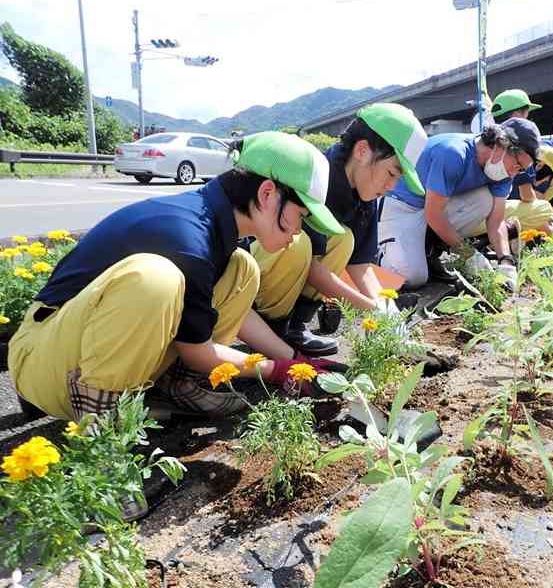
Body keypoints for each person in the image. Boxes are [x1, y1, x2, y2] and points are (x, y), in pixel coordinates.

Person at [8, 132, 345, 423]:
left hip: (80, 347)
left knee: (243, 268)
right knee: (156, 278)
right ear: (268, 194)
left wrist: (294, 360)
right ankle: (103, 435)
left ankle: (177, 386)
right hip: (46, 360)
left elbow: (236, 319)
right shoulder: (188, 239)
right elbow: (199, 350)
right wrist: (273, 370)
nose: (298, 232)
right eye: (300, 216)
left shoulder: (215, 223)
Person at [250, 103, 427, 356]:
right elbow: (308, 265)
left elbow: (360, 265)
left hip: (288, 267)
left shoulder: (366, 194)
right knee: (299, 244)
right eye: (391, 173)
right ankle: (269, 328)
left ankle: (295, 326)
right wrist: (368, 307)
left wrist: (388, 314)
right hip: (252, 272)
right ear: (363, 151)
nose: (391, 186)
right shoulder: (316, 176)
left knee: (345, 240)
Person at [378, 118, 541, 289]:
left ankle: (429, 250)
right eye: (517, 165)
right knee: (410, 277)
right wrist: (468, 254)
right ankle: (373, 255)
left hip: (433, 207)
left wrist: (505, 261)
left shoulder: (502, 172)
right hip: (402, 205)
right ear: (501, 144)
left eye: (521, 170)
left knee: (485, 200)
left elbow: (496, 221)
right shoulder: (454, 153)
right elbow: (434, 214)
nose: (515, 173)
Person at [490, 89, 553, 234]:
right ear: (517, 115)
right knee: (542, 209)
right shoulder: (518, 152)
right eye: (526, 113)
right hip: (495, 216)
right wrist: (551, 232)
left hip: (470, 211)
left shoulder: (487, 142)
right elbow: (527, 196)